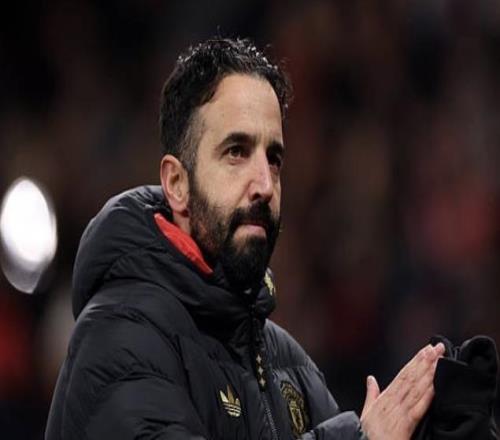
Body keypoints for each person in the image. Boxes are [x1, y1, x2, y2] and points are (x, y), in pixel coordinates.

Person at [45, 37, 496, 440]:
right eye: (236, 152)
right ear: (177, 184)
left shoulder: (286, 364)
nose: (264, 183)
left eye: (274, 158)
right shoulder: (120, 339)